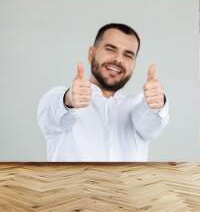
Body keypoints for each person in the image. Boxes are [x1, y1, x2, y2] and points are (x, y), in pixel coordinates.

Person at [37, 23, 169, 162]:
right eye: (111, 49)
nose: (119, 59)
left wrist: (156, 105)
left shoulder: (137, 105)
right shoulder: (57, 97)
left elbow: (150, 124)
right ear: (91, 54)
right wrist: (69, 100)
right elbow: (55, 112)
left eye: (128, 55)